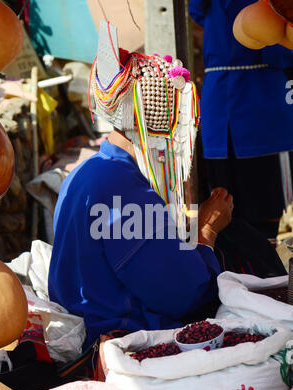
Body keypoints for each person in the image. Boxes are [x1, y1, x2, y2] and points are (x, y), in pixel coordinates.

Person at [48, 20, 234, 351]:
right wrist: (206, 233)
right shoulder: (120, 186)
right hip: (125, 344)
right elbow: (182, 294)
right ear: (162, 128)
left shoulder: (86, 171)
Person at [189, 0, 293, 239]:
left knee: (226, 214)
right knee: (266, 216)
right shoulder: (265, 7)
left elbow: (197, 12)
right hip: (260, 106)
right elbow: (278, 49)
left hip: (220, 104)